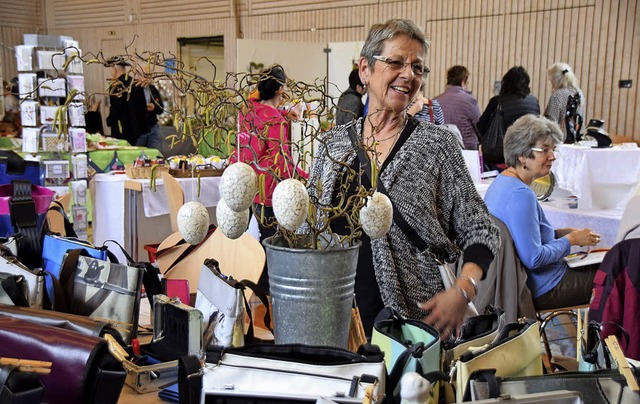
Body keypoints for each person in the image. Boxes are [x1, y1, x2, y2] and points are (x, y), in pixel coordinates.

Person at [306, 19, 499, 338]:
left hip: (415, 325)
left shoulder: (437, 145)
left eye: (418, 68)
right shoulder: (333, 145)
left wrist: (463, 291)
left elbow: (480, 228)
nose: (409, 74)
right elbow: (308, 229)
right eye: (395, 62)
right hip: (336, 317)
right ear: (365, 69)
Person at [483, 114, 601, 310]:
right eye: (544, 150)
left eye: (553, 149)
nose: (552, 156)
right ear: (522, 155)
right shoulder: (520, 195)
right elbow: (534, 258)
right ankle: (604, 337)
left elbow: (522, 239)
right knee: (614, 276)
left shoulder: (502, 183)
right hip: (544, 287)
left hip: (534, 281)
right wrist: (571, 240)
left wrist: (561, 234)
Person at [235, 65, 308, 292]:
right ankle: (267, 289)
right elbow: (282, 162)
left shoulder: (246, 110)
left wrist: (285, 113)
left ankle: (242, 279)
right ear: (280, 90)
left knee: (240, 237)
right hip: (267, 187)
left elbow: (260, 119)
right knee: (272, 240)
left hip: (242, 182)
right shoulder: (274, 120)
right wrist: (306, 177)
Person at [477, 66, 540, 168]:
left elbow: (481, 126)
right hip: (527, 154)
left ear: (505, 83)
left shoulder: (497, 101)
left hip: (502, 156)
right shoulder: (533, 102)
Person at [434, 65, 482, 150]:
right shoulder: (469, 100)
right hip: (466, 150)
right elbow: (479, 126)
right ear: (463, 82)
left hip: (442, 150)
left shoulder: (435, 101)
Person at [105, 58, 149, 145]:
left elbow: (116, 109)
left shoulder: (116, 86)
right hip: (137, 130)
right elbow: (143, 107)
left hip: (122, 130)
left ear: (114, 69)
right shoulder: (136, 83)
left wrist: (109, 120)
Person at [544, 62, 584, 140]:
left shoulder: (557, 95)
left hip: (559, 140)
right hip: (576, 139)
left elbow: (550, 123)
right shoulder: (579, 93)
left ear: (555, 80)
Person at [135, 68, 164, 149]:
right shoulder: (134, 89)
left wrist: (154, 107)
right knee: (138, 155)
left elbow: (161, 108)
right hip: (139, 128)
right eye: (145, 76)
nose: (148, 79)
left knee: (155, 154)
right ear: (139, 76)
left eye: (149, 76)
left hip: (153, 126)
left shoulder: (153, 89)